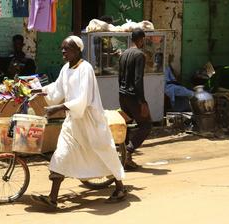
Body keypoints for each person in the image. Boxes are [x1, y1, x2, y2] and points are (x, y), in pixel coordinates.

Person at [30, 36, 127, 208]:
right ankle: (53, 197)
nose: (63, 52)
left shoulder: (86, 69)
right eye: (62, 48)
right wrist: (40, 90)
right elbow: (57, 88)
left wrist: (58, 107)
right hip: (73, 120)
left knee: (103, 152)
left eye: (66, 49)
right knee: (61, 153)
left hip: (90, 120)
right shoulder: (66, 69)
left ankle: (120, 187)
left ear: (77, 50)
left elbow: (83, 99)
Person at [118, 28, 152, 170]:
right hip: (133, 97)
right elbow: (138, 80)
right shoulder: (139, 55)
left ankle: (125, 157)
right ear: (141, 40)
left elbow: (119, 77)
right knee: (146, 125)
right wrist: (142, 101)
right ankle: (129, 152)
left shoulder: (124, 54)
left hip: (122, 95)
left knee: (126, 125)